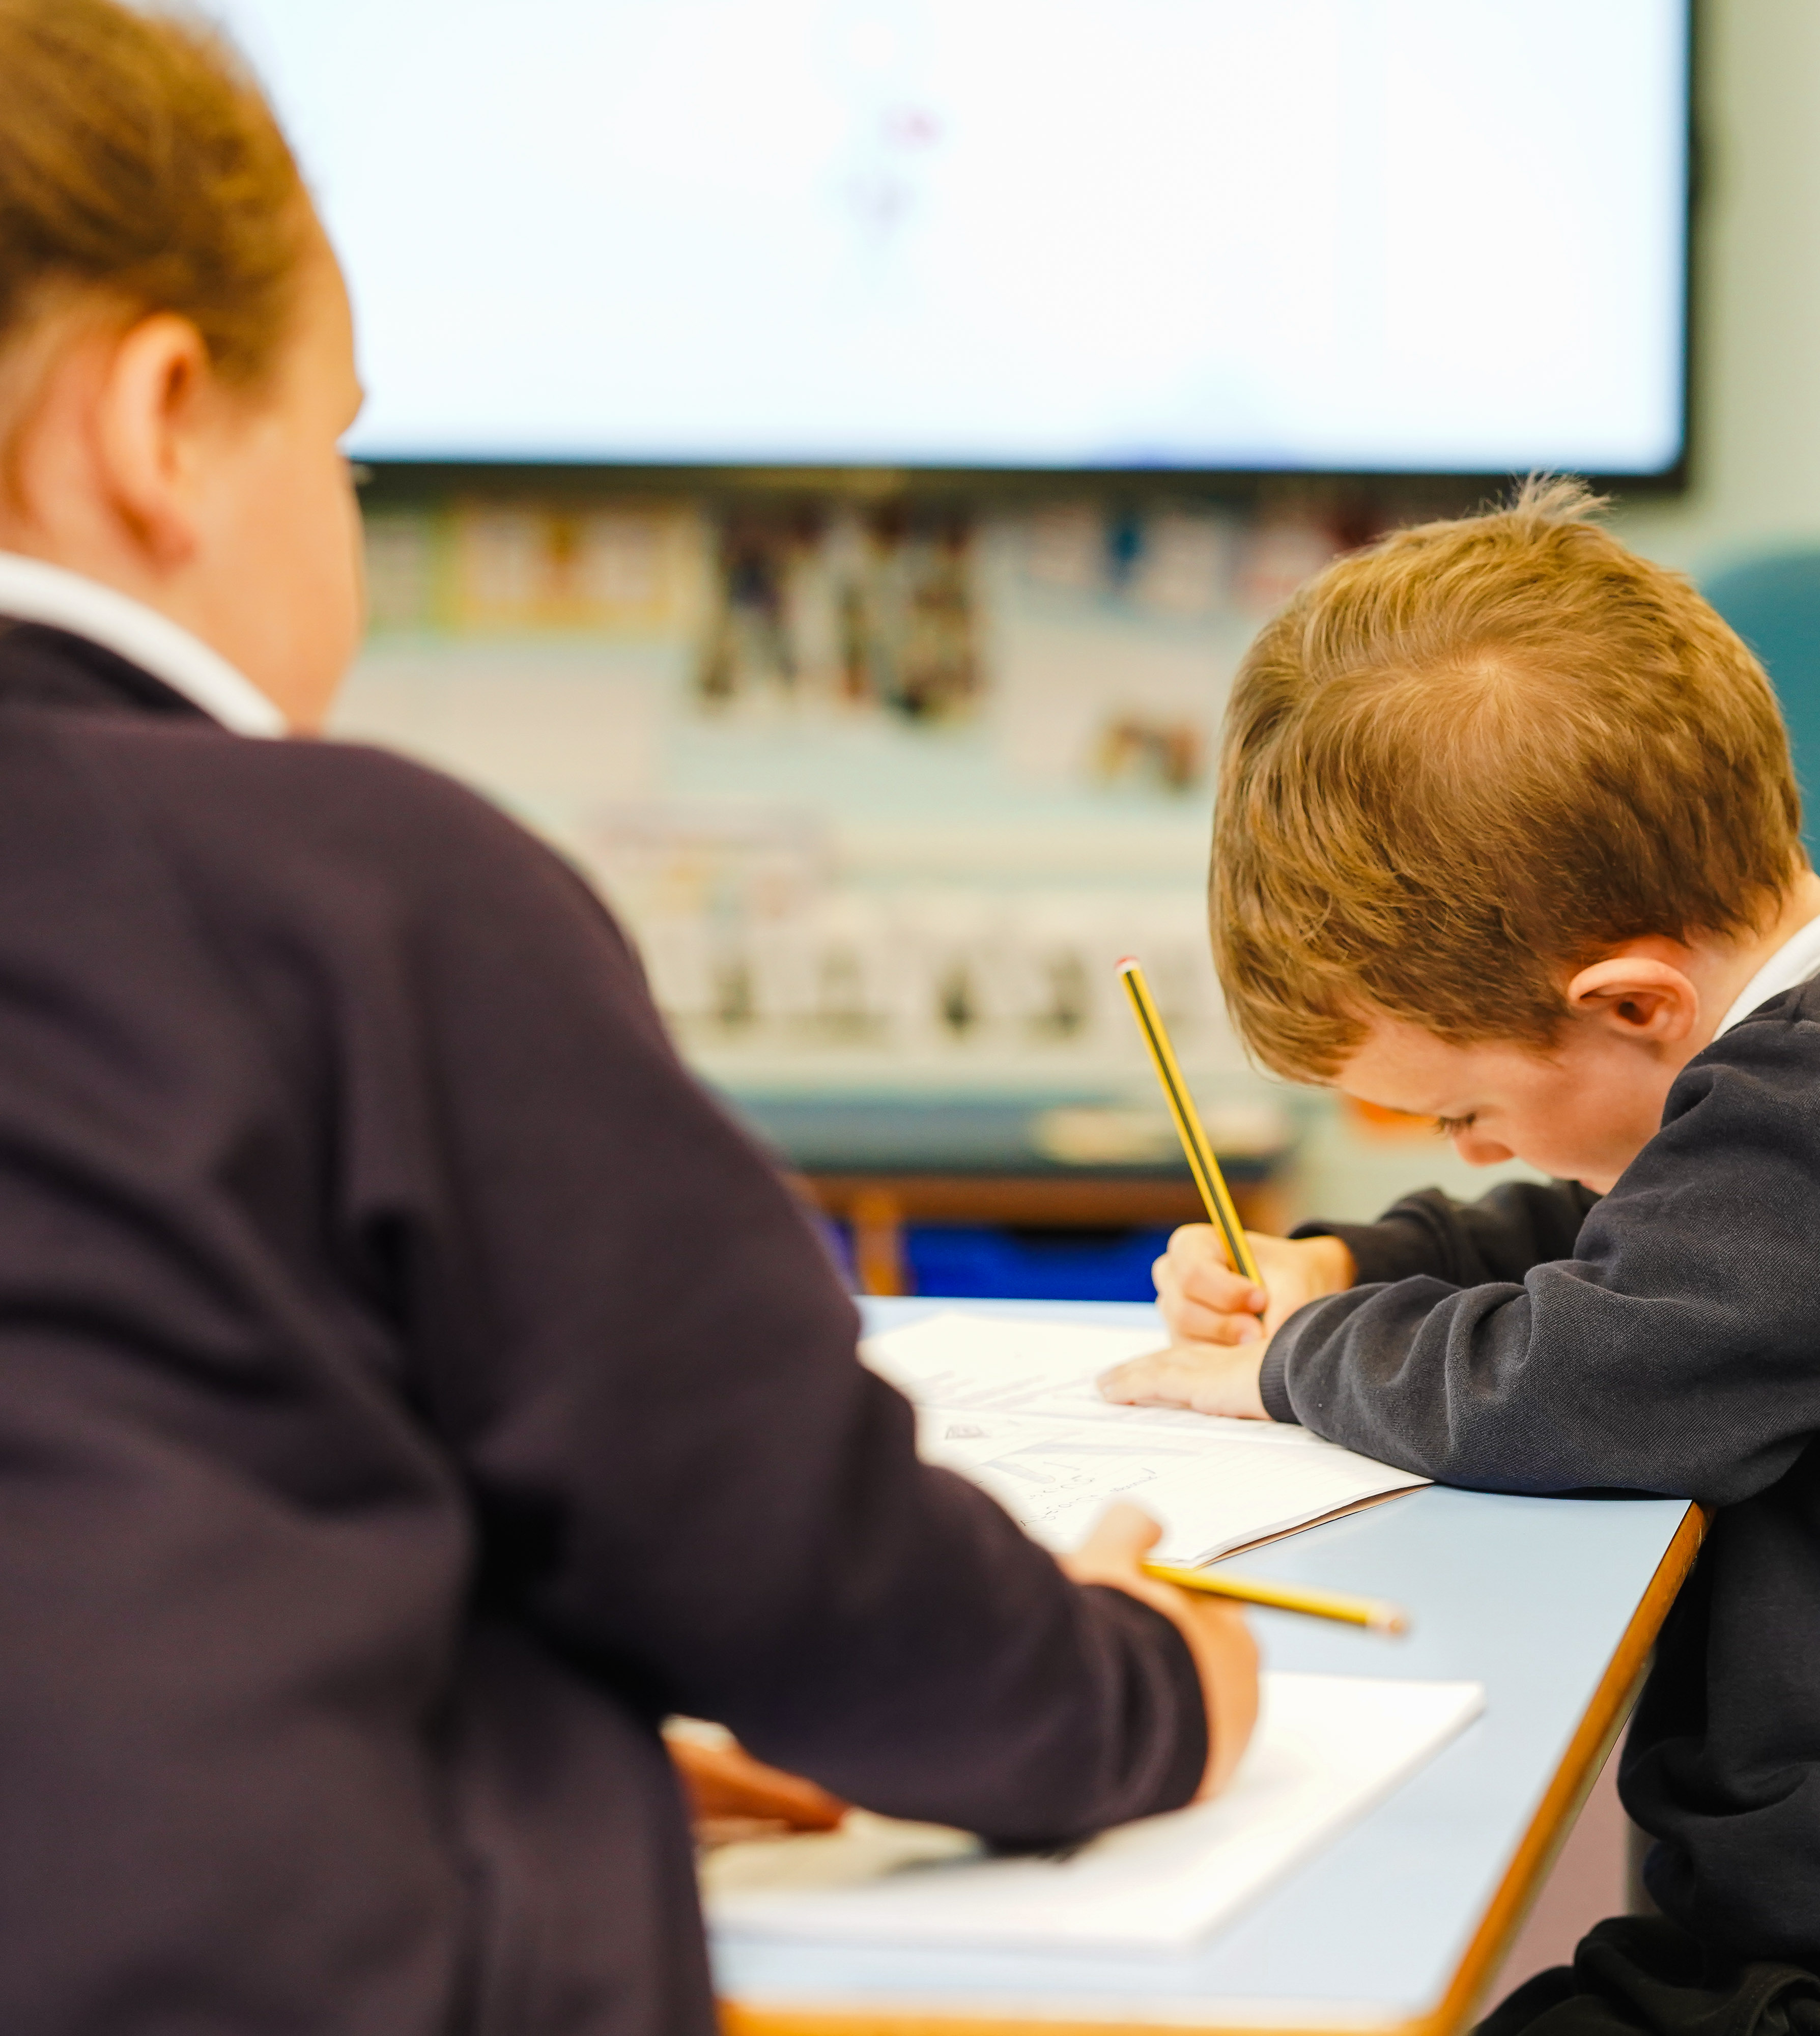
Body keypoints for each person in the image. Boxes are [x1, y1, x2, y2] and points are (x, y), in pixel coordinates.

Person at [0, 5, 1251, 2031]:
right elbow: (806, 1564)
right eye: (340, 449)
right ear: (155, 424)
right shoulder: (355, 885)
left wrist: (455, 1710)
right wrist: (1146, 1674)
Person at [1103, 484, 1820, 2036]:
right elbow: (1630, 1239)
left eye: (1469, 1114)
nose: (1472, 1157)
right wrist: (1347, 1263)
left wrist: (1287, 1364)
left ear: (1635, 1004)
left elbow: (1568, 1383)